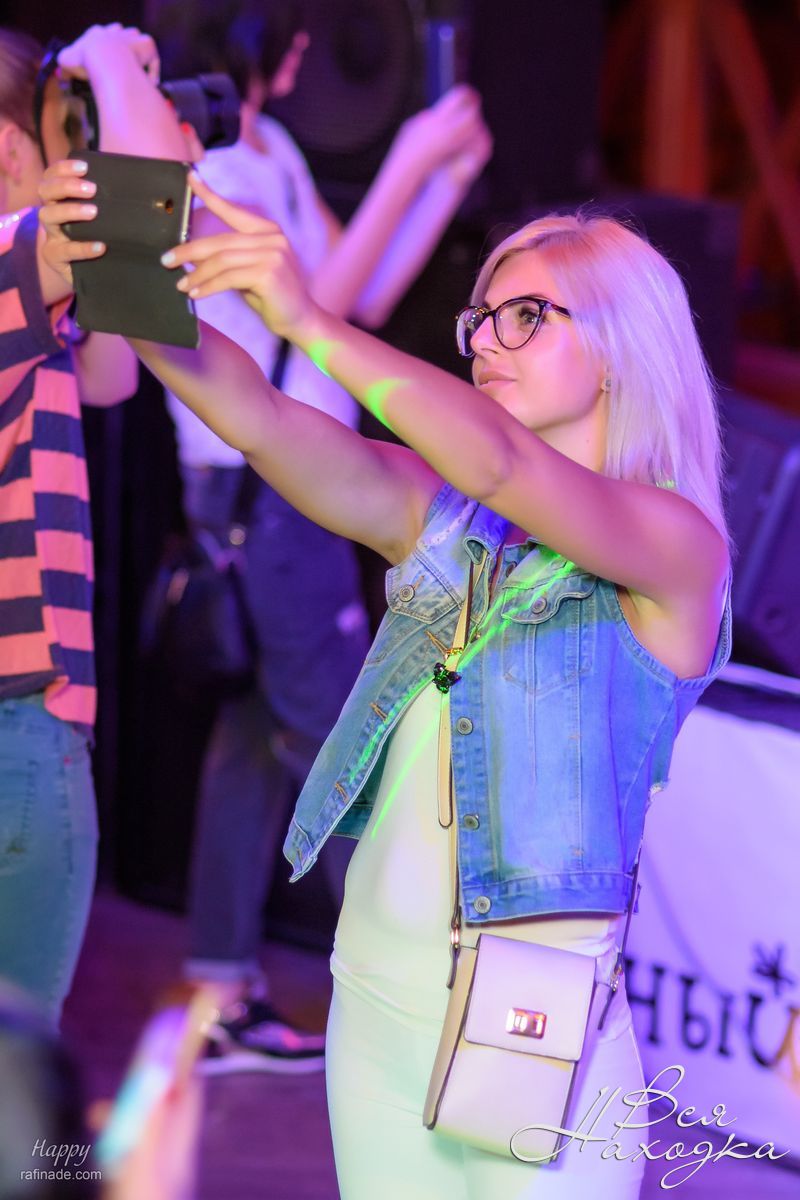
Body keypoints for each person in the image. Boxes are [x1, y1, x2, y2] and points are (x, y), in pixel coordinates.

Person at [40, 165, 731, 1197]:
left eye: (526, 317)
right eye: (481, 319)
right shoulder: (440, 513)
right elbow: (259, 417)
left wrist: (309, 317)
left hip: (531, 1033)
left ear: (620, 347)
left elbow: (501, 464)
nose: (486, 342)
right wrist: (126, 279)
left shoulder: (675, 545)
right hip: (370, 997)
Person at [150, 0, 492, 1071]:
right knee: (352, 743)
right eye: (293, 33)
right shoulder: (204, 162)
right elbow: (303, 305)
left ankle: (219, 994)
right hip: (261, 493)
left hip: (287, 488)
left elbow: (357, 300)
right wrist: (408, 157)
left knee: (256, 746)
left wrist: (442, 179)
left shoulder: (273, 149)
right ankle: (405, 1017)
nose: (305, 51)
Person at [0, 23, 188, 1028]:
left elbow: (112, 369)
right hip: (16, 726)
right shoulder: (8, 259)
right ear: (12, 150)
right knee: (23, 1089)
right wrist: (114, 65)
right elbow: (141, 228)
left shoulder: (26, 298)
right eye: (62, 137)